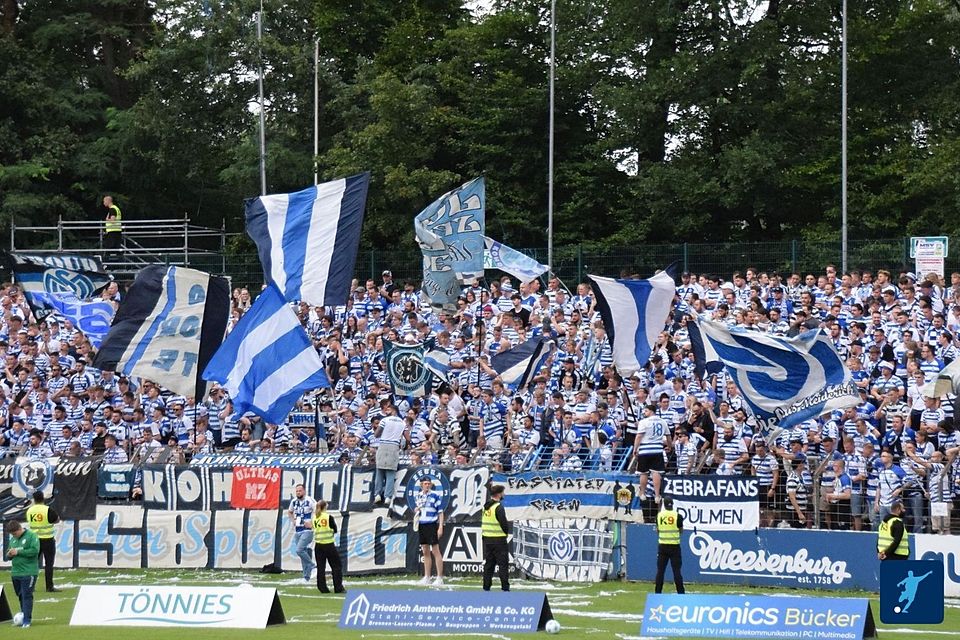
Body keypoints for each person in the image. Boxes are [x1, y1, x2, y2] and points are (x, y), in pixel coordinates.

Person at [372, 399, 409, 504]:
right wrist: (404, 445)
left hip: (383, 444)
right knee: (390, 472)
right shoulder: (402, 422)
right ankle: (388, 496)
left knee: (380, 470)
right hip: (394, 446)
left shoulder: (384, 420)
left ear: (393, 410)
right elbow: (408, 437)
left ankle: (378, 494)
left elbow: (376, 434)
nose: (386, 411)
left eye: (388, 409)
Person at [6, 519, 39, 628]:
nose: (14, 536)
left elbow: (35, 551)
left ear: (20, 529)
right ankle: (23, 616)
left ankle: (26, 621)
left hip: (29, 572)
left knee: (26, 595)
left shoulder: (31, 536)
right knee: (20, 595)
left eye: (15, 533)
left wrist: (18, 552)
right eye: (12, 534)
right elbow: (8, 555)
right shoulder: (13, 540)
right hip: (16, 572)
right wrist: (10, 554)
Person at [26, 490, 60, 592]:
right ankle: (49, 586)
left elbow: (29, 521)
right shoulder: (47, 509)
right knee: (49, 564)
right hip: (48, 539)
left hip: (34, 540)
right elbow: (56, 519)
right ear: (43, 498)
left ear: (34, 499)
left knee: (33, 563)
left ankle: (30, 586)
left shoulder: (30, 510)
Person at [415, 477, 445, 586]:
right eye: (425, 484)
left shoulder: (435, 495)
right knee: (425, 551)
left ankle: (439, 577)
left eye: (429, 484)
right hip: (422, 524)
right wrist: (417, 510)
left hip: (432, 524)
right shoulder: (418, 495)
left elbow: (440, 512)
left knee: (435, 551)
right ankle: (427, 576)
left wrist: (440, 526)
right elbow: (420, 508)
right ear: (421, 485)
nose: (427, 485)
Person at [481, 484, 510, 592]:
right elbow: (504, 523)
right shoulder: (498, 507)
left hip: (487, 539)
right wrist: (506, 533)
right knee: (503, 565)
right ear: (498, 494)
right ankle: (505, 588)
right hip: (499, 539)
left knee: (489, 565)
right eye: (503, 492)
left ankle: (486, 587)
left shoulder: (485, 506)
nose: (504, 494)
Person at [312, 500, 344, 594]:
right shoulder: (328, 517)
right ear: (325, 507)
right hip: (328, 544)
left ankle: (322, 587)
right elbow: (335, 529)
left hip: (318, 545)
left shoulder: (315, 518)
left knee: (321, 568)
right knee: (337, 566)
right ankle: (338, 588)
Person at [654, 497, 685, 594]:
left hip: (662, 546)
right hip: (674, 546)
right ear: (672, 504)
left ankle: (657, 592)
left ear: (664, 505)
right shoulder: (678, 516)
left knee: (660, 571)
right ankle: (681, 593)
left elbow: (658, 530)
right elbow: (681, 530)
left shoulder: (659, 516)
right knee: (676, 571)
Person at [287, 484, 316, 582]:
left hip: (307, 530)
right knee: (303, 552)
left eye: (300, 491)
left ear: (304, 491)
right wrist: (293, 521)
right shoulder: (294, 501)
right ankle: (306, 577)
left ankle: (313, 566)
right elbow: (290, 512)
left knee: (299, 550)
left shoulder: (310, 500)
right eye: (297, 491)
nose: (298, 493)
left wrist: (312, 522)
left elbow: (317, 510)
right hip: (298, 529)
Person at [102, 195, 123, 261]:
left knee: (108, 248)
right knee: (117, 249)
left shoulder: (112, 209)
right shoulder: (116, 208)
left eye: (104, 201)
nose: (103, 203)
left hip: (112, 231)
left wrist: (107, 219)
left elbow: (113, 220)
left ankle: (106, 264)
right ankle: (123, 264)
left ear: (108, 201)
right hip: (117, 230)